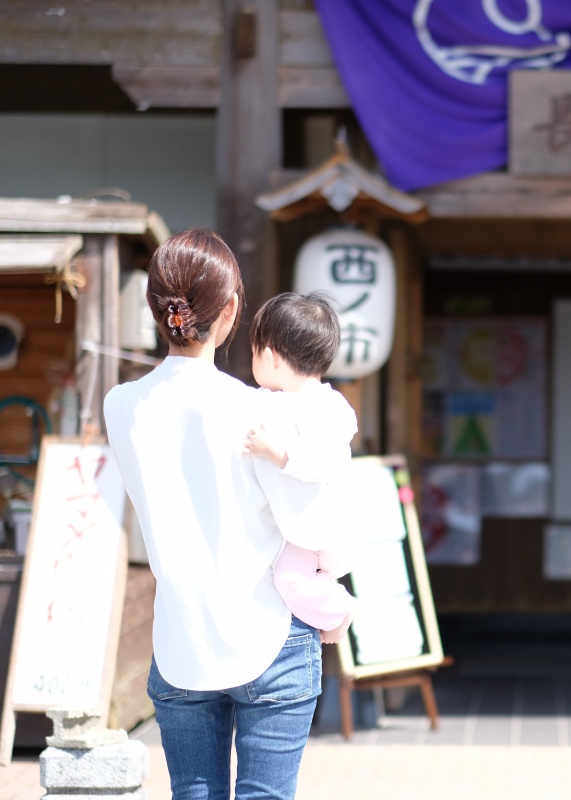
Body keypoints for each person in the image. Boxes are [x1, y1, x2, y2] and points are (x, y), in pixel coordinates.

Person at [104, 228, 326, 800]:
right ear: (230, 311)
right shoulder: (260, 410)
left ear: (159, 310)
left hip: (181, 639)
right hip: (269, 634)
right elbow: (307, 523)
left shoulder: (121, 405)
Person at [242, 292, 359, 645]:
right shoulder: (277, 402)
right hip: (303, 524)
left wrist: (278, 453)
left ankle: (340, 609)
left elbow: (323, 460)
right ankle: (330, 603)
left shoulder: (328, 406)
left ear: (268, 356)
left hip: (319, 524)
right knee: (295, 577)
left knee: (290, 581)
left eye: (252, 352)